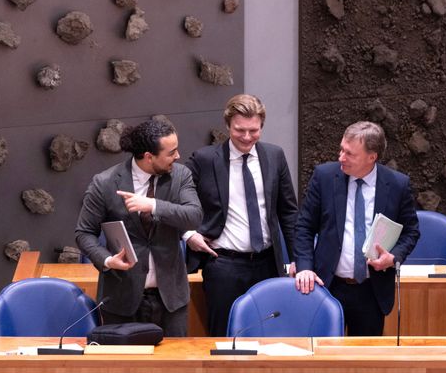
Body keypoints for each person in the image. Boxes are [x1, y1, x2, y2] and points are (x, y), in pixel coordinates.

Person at [183, 94, 299, 336]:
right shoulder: (204, 159)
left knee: (269, 334)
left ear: (262, 126)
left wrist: (298, 258)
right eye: (240, 130)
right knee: (224, 336)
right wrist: (188, 234)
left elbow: (288, 211)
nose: (247, 137)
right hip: (224, 264)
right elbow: (176, 199)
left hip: (268, 263)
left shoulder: (274, 156)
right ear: (227, 125)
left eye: (253, 130)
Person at [75, 119, 202, 336]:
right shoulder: (104, 183)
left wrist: (153, 205)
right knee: (124, 369)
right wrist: (107, 260)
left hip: (171, 300)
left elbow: (194, 216)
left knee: (173, 368)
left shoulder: (181, 175)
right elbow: (84, 233)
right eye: (171, 152)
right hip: (122, 299)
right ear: (148, 156)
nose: (178, 156)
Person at [294, 121, 420, 336]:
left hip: (371, 290)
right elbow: (304, 226)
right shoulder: (324, 177)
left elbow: (411, 231)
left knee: (364, 363)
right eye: (341, 149)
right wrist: (305, 266)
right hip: (328, 285)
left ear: (372, 157)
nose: (341, 157)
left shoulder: (397, 184)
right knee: (324, 359)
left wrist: (394, 257)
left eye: (350, 154)